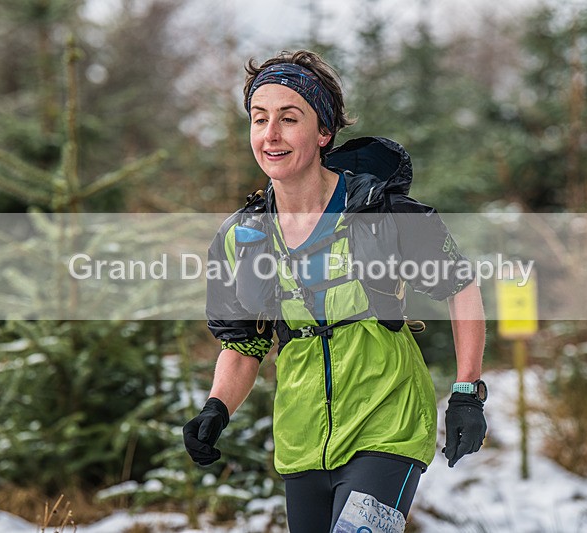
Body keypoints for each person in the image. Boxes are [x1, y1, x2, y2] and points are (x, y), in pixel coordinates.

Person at [183, 49, 488, 532]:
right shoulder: (242, 237)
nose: (271, 134)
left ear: (323, 132)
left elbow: (461, 286)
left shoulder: (379, 211)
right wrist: (216, 408)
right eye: (259, 119)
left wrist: (467, 392)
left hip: (387, 423)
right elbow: (243, 345)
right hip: (302, 438)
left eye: (289, 118)